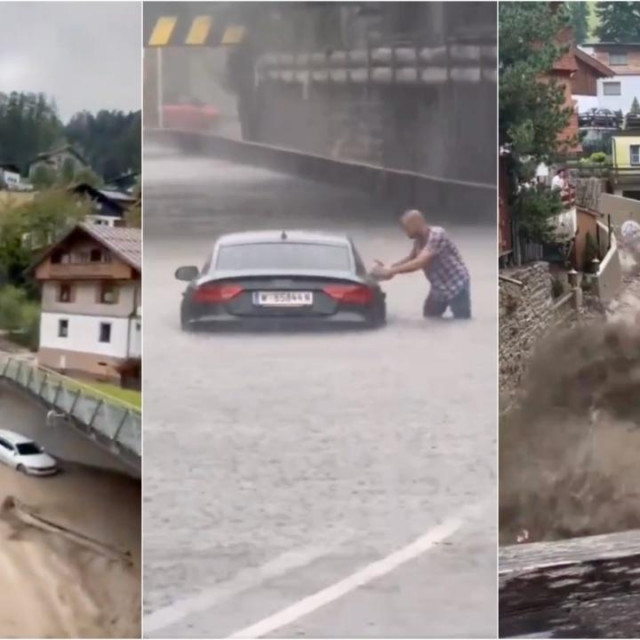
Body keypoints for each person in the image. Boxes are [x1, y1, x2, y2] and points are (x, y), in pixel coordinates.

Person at [373, 209, 471, 319]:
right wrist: (389, 267)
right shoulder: (419, 241)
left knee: (462, 320)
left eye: (406, 227)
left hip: (456, 284)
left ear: (416, 224)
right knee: (430, 317)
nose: (404, 231)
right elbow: (411, 258)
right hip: (438, 286)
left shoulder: (437, 234)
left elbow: (419, 262)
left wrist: (392, 271)